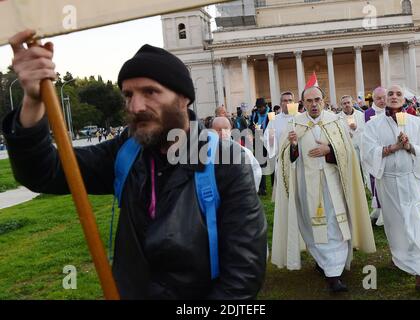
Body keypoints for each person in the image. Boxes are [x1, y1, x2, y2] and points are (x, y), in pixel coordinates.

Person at [3, 30, 267, 300]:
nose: (136, 105)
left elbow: (243, 274)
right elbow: (44, 173)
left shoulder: (225, 164)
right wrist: (34, 100)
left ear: (184, 97)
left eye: (150, 91)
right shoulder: (126, 153)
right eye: (128, 94)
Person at [272, 86, 376, 293]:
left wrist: (330, 150)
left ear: (323, 99)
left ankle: (333, 274)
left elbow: (347, 151)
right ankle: (325, 262)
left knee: (335, 225)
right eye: (309, 101)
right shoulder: (295, 124)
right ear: (302, 103)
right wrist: (293, 146)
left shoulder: (334, 120)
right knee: (313, 227)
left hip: (333, 185)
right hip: (306, 186)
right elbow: (284, 159)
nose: (313, 104)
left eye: (317, 99)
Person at [361, 85, 420, 290]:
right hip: (387, 181)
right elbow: (368, 152)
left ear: (404, 99)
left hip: (411, 180)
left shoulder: (415, 122)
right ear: (383, 99)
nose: (394, 97)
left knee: (419, 222)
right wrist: (392, 148)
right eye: (390, 94)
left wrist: (409, 146)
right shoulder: (373, 125)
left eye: (398, 94)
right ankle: (401, 259)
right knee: (396, 224)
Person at [211, 116, 261, 191]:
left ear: (231, 130)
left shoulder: (244, 152)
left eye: (226, 128)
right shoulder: (206, 155)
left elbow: (256, 172)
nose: (222, 133)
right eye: (218, 130)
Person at [364, 86, 387, 227]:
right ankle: (378, 209)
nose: (382, 100)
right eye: (379, 98)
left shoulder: (392, 111)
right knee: (375, 182)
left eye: (384, 97)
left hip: (389, 152)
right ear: (373, 98)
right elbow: (363, 134)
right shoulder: (367, 113)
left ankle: (386, 212)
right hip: (374, 153)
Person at [249, 97, 270, 196]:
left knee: (273, 165)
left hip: (269, 142)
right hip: (258, 141)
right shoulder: (255, 114)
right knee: (259, 165)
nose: (260, 109)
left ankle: (275, 187)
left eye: (261, 107)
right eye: (258, 108)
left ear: (265, 106)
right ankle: (262, 188)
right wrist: (252, 128)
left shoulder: (271, 114)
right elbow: (250, 125)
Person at [338, 95, 365, 160]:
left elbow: (366, 130)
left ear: (352, 103)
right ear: (341, 105)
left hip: (360, 147)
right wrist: (345, 134)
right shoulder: (338, 117)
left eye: (348, 102)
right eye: (344, 103)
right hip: (346, 149)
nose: (347, 105)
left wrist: (356, 128)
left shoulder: (360, 115)